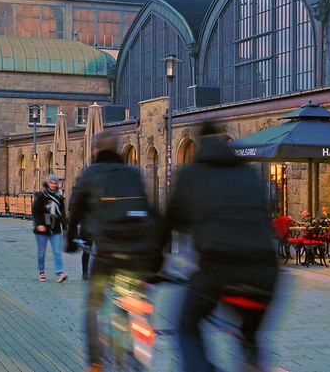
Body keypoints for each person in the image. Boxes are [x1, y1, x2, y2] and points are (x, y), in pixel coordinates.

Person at [160, 121, 279, 372]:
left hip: (218, 267)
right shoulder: (248, 172)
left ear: (199, 143)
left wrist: (153, 264)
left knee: (186, 325)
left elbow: (168, 226)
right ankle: (253, 362)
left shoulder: (191, 174)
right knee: (250, 335)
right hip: (265, 272)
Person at [66, 132, 159, 372]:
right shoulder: (133, 173)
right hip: (136, 255)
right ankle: (138, 353)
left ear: (96, 149)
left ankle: (96, 362)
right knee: (135, 303)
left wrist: (70, 241)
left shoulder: (90, 174)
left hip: (106, 254)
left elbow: (74, 209)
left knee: (93, 306)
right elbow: (150, 211)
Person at [32, 174, 67, 282]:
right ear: (47, 183)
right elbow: (35, 211)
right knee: (42, 252)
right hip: (42, 228)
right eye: (51, 182)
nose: (53, 185)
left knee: (57, 251)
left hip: (55, 227)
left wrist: (64, 227)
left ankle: (59, 273)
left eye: (55, 183)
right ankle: (41, 272)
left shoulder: (59, 196)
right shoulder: (41, 195)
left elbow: (62, 213)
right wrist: (39, 224)